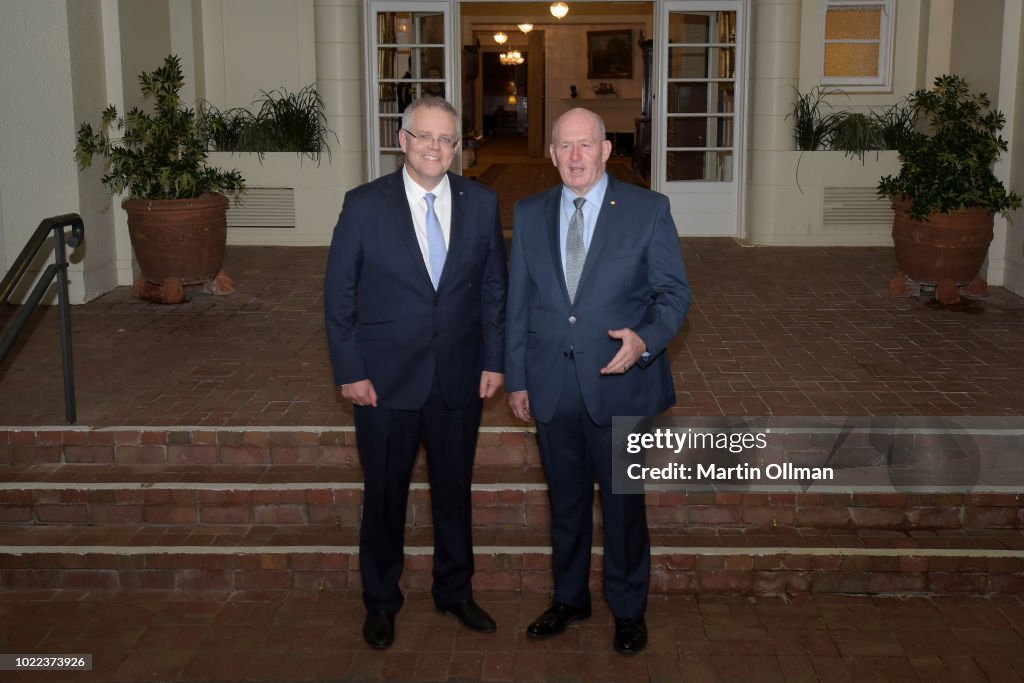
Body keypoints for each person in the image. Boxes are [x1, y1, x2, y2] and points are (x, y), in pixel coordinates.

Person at [505, 107, 691, 654]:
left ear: (607, 149)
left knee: (623, 508)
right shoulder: (530, 211)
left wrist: (645, 339)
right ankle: (569, 599)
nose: (576, 157)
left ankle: (628, 608)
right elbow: (519, 306)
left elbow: (674, 294)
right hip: (552, 386)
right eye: (565, 146)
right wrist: (518, 379)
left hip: (621, 386)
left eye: (586, 145)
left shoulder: (647, 209)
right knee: (564, 506)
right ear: (552, 153)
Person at [324, 95, 507, 650]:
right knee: (384, 497)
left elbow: (496, 288)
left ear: (458, 147)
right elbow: (338, 296)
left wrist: (495, 357)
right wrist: (350, 369)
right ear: (401, 141)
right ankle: (381, 601)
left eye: (446, 139)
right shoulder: (363, 205)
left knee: (454, 494)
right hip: (383, 382)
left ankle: (456, 592)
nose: (435, 147)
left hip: (458, 378)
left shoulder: (481, 202)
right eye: (424, 136)